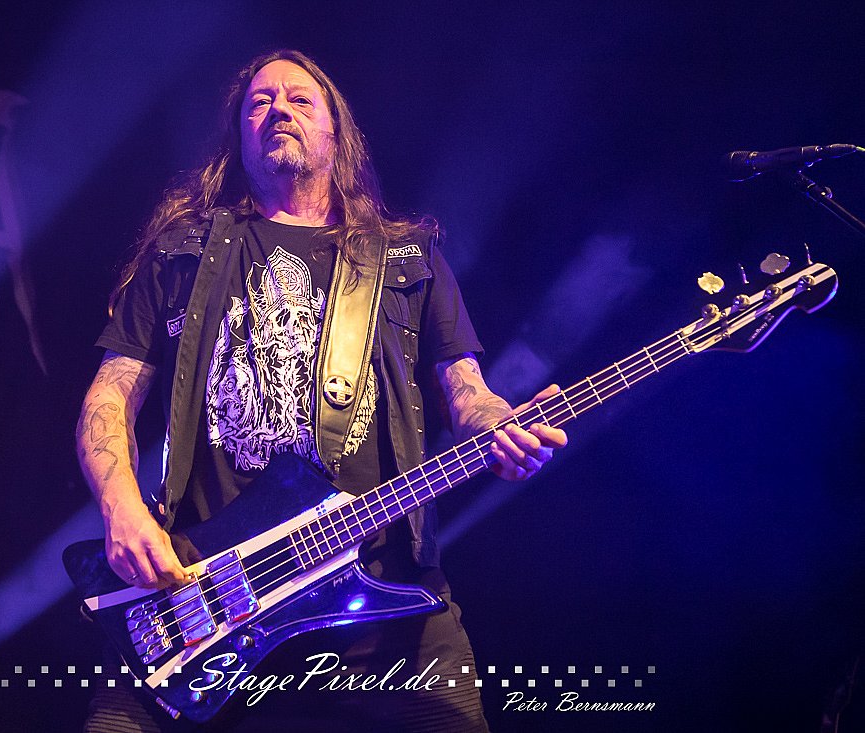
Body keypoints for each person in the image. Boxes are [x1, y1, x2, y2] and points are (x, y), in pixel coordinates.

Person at [75, 49, 567, 732]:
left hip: (384, 605)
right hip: (207, 601)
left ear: (338, 133)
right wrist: (121, 506)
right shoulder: (182, 252)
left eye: (300, 99)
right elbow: (108, 396)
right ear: (239, 135)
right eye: (259, 101)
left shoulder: (406, 256)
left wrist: (499, 425)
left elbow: (468, 394)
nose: (278, 108)